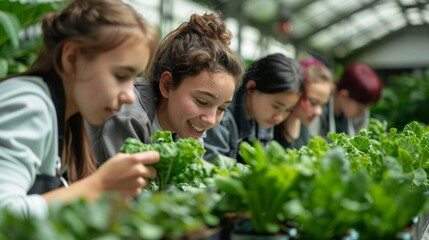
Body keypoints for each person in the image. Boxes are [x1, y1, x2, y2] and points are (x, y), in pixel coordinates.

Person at [0, 0, 160, 218]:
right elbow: (4, 215)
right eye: (121, 75)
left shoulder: (68, 116)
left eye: (134, 78)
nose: (130, 95)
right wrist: (101, 184)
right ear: (72, 59)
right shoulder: (30, 107)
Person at [87, 12, 245, 164]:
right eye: (202, 101)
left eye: (222, 108)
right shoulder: (131, 117)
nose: (210, 120)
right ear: (167, 85)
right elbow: (125, 189)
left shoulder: (187, 127)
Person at [203, 53, 304, 163]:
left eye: (288, 110)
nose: (279, 117)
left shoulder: (263, 118)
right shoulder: (221, 117)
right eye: (276, 106)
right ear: (251, 88)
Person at [307, 63, 383, 139]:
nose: (362, 113)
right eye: (360, 108)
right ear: (344, 96)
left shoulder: (356, 115)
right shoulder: (317, 109)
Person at [274, 58, 334, 149]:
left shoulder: (304, 130)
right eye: (313, 102)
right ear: (297, 92)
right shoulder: (271, 128)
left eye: (323, 105)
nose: (318, 112)